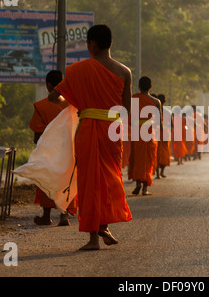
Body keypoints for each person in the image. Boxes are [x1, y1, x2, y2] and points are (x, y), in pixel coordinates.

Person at [48, 24, 132, 250]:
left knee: (89, 181)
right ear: (110, 43)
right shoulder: (124, 72)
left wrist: (76, 102)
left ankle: (94, 238)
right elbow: (126, 109)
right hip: (113, 130)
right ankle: (104, 224)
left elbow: (53, 97)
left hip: (87, 129)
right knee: (110, 178)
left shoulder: (78, 70)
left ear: (91, 43)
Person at [29, 70, 77, 226]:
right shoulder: (72, 105)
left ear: (48, 86)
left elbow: (37, 134)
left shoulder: (41, 105)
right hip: (68, 149)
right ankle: (64, 215)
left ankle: (46, 216)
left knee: (46, 181)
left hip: (49, 151)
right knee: (66, 181)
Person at [128, 76, 161, 195]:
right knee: (148, 159)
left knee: (137, 158)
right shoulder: (156, 102)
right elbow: (158, 121)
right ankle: (145, 188)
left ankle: (137, 183)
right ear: (151, 86)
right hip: (149, 132)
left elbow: (127, 116)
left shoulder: (133, 99)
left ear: (139, 87)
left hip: (136, 131)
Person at [156, 94, 171, 178]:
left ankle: (157, 173)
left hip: (156, 133)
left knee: (157, 152)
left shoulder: (154, 110)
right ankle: (162, 171)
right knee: (165, 153)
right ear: (164, 101)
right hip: (165, 134)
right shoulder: (168, 112)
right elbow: (171, 125)